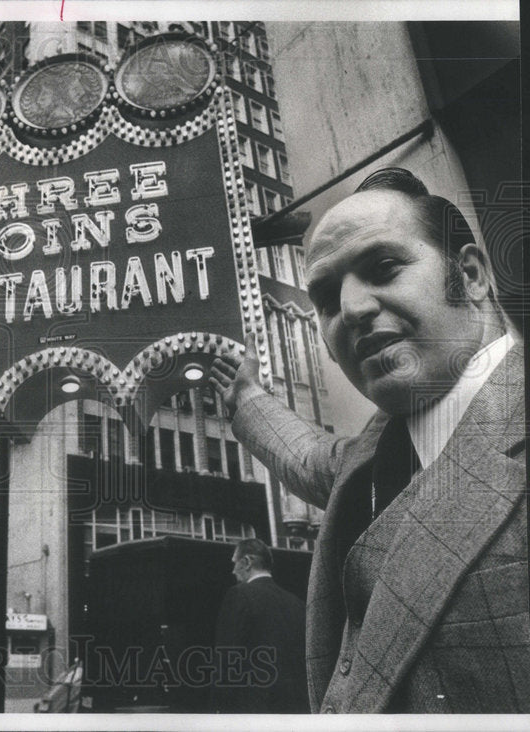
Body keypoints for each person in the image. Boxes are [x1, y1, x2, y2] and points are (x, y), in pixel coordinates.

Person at [210, 168, 527, 713]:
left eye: (384, 268)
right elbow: (312, 460)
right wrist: (244, 396)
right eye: (328, 297)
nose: (352, 309)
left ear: (471, 274)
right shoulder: (379, 450)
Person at [213, 539, 309, 713]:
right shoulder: (297, 603)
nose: (233, 571)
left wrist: (221, 704)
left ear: (248, 562)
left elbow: (228, 657)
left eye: (235, 563)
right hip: (297, 708)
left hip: (253, 709)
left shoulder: (238, 595)